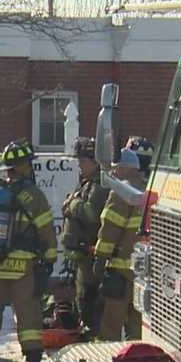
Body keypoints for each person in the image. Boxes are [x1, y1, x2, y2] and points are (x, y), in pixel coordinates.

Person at [0, 140, 57, 362]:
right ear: (23, 166)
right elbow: (46, 230)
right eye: (28, 163)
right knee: (28, 312)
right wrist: (50, 258)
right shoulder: (34, 195)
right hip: (23, 267)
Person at [92, 139, 152, 342]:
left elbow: (110, 227)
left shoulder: (121, 192)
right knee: (137, 319)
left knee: (111, 320)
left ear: (126, 169)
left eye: (116, 169)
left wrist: (100, 258)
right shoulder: (148, 190)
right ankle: (137, 354)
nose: (114, 174)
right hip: (144, 270)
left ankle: (107, 355)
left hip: (120, 268)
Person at [60, 137, 108, 337]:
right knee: (81, 297)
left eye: (83, 161)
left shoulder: (100, 185)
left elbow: (90, 214)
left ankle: (93, 337)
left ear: (94, 162)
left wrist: (71, 205)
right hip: (80, 254)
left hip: (90, 255)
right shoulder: (87, 183)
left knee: (88, 298)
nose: (79, 166)